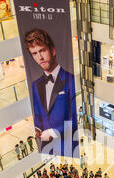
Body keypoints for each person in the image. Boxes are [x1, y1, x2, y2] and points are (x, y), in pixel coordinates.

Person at [24, 28, 78, 156]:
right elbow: (38, 114)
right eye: (34, 53)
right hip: (47, 148)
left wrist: (54, 132)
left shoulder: (71, 80)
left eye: (42, 50)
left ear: (52, 50)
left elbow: (76, 118)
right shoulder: (35, 84)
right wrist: (37, 128)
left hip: (68, 147)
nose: (40, 57)